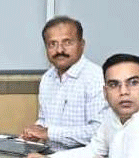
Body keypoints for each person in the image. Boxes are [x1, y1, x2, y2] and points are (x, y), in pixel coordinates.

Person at [20, 16, 106, 150]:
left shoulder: (95, 77)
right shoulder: (47, 78)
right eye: (52, 44)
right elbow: (44, 120)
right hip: (48, 155)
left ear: (82, 45)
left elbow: (99, 131)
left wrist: (49, 133)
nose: (59, 50)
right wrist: (35, 131)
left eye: (67, 43)